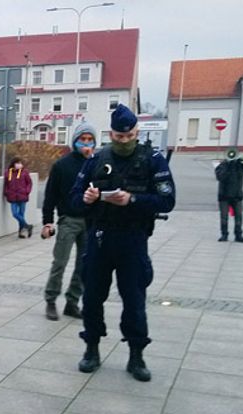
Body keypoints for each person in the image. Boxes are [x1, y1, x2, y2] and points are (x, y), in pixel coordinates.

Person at [71, 104, 176, 382]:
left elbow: (168, 200)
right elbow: (73, 199)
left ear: (136, 133)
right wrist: (87, 198)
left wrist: (133, 199)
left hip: (133, 239)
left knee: (134, 301)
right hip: (100, 238)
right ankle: (91, 349)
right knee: (92, 297)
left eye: (129, 137)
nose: (124, 142)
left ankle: (136, 355)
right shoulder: (96, 159)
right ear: (112, 134)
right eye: (119, 137)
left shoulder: (153, 159)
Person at [42, 123, 98, 320]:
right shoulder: (61, 165)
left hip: (90, 221)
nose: (86, 143)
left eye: (89, 139)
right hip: (68, 220)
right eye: (82, 139)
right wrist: (47, 222)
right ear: (74, 140)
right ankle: (50, 300)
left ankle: (72, 302)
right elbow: (50, 196)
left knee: (84, 265)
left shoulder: (97, 163)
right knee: (60, 262)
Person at [214, 148, 243, 242]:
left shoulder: (240, 165)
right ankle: (224, 234)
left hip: (237, 195)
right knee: (224, 217)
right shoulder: (222, 165)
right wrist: (228, 166)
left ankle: (238, 235)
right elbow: (220, 177)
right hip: (224, 195)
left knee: (238, 216)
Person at [3, 156, 34, 238]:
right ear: (13, 164)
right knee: (15, 214)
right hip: (12, 196)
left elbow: (29, 183)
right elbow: (6, 184)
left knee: (21, 214)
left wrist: (27, 191)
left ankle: (20, 232)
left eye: (20, 163)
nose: (20, 165)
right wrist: (6, 193)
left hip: (22, 196)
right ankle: (28, 226)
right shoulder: (7, 173)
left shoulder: (24, 172)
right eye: (18, 163)